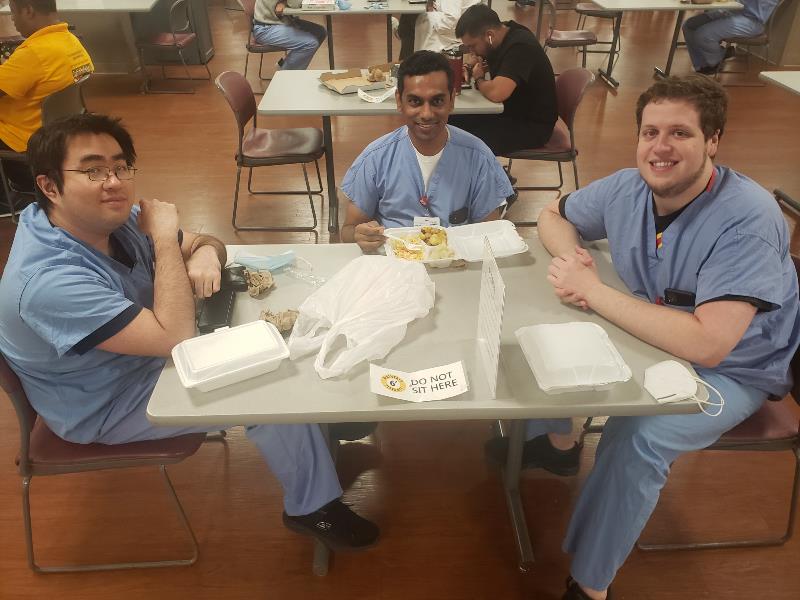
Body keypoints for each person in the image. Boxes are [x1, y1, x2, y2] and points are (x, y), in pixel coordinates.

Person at [0, 113, 379, 552]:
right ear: (49, 186)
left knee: (282, 334)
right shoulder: (48, 281)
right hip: (107, 401)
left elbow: (206, 241)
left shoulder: (95, 218)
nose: (114, 182)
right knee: (267, 389)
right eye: (92, 170)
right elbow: (173, 337)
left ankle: (324, 422)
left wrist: (203, 256)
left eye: (121, 166)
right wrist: (165, 240)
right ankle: (312, 509)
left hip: (142, 359)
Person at [488, 75, 800, 600]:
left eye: (680, 133)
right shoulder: (630, 188)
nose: (660, 147)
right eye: (650, 132)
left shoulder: (746, 219)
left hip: (733, 368)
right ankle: (560, 443)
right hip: (655, 335)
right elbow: (552, 214)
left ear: (713, 142)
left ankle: (590, 585)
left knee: (638, 438)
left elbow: (709, 346)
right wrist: (573, 257)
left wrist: (591, 290)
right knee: (543, 339)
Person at [340, 50, 514, 252]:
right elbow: (348, 230)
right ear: (399, 101)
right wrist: (359, 234)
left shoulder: (478, 158)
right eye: (415, 101)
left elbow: (490, 233)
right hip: (394, 269)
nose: (426, 113)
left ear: (451, 100)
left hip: (456, 265)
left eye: (437, 101)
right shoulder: (375, 158)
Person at [0, 0, 93, 209]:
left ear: (29, 10)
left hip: (26, 143)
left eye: (13, 12)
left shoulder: (34, 53)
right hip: (62, 134)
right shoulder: (71, 41)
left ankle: (6, 200)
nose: (12, 19)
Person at [448, 4, 557, 156]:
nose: (471, 51)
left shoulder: (520, 47)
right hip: (511, 112)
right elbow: (477, 57)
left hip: (532, 125)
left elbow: (497, 93)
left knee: (462, 143)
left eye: (472, 46)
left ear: (489, 35)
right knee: (448, 122)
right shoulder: (502, 33)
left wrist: (479, 78)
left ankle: (489, 176)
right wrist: (467, 67)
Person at [682, 0, 782, 75]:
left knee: (703, 35)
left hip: (751, 20)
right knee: (689, 25)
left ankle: (716, 61)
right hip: (732, 11)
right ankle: (703, 66)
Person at [252, 0, 326, 71]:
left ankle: (285, 66)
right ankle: (284, 76)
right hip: (266, 28)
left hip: (282, 22)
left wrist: (284, 2)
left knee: (320, 32)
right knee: (310, 43)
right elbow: (295, 4)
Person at [394, 0, 481, 59]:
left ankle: (407, 67)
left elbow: (451, 20)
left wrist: (428, 17)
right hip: (462, 23)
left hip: (457, 31)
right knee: (410, 18)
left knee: (414, 19)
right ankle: (400, 33)